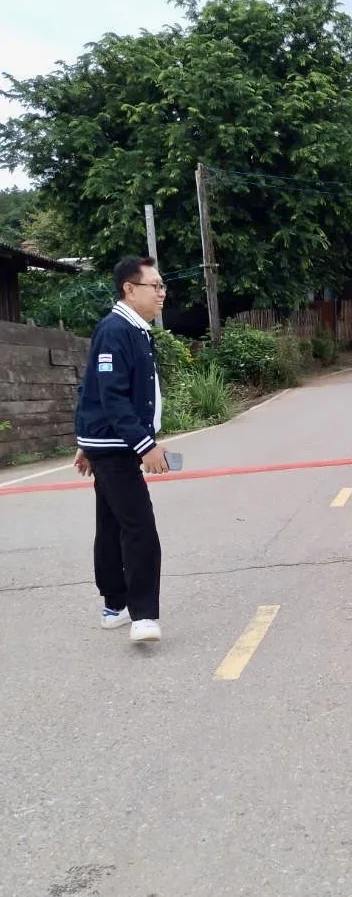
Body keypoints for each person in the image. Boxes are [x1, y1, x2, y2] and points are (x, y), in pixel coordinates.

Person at [73, 256, 169, 644]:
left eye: (162, 286)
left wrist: (86, 441)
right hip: (117, 446)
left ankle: (115, 606)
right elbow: (111, 396)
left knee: (112, 525)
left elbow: (91, 387)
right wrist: (146, 446)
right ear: (130, 289)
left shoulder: (133, 330)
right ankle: (142, 615)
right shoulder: (116, 329)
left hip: (109, 443)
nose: (161, 293)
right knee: (140, 528)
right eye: (154, 286)